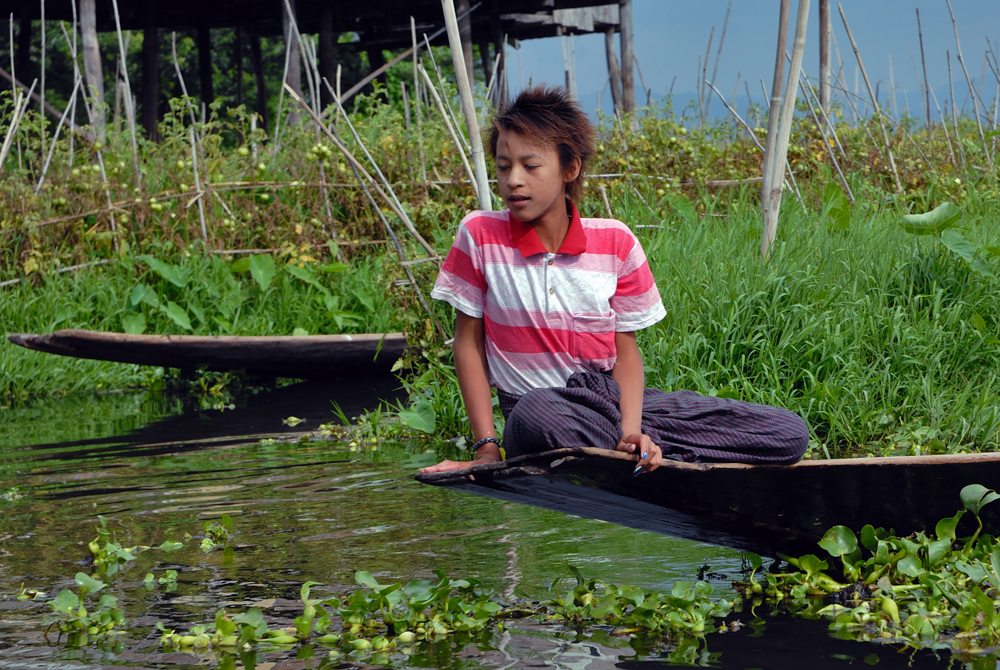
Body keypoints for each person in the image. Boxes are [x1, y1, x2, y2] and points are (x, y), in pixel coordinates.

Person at [420, 85, 808, 476]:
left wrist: (632, 429)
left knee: (788, 432)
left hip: (611, 404)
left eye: (530, 165)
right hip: (536, 412)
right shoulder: (479, 235)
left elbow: (625, 353)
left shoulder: (615, 242)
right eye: (504, 167)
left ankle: (639, 449)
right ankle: (639, 452)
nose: (513, 180)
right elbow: (468, 343)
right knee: (541, 412)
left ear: (569, 169)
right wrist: (488, 448)